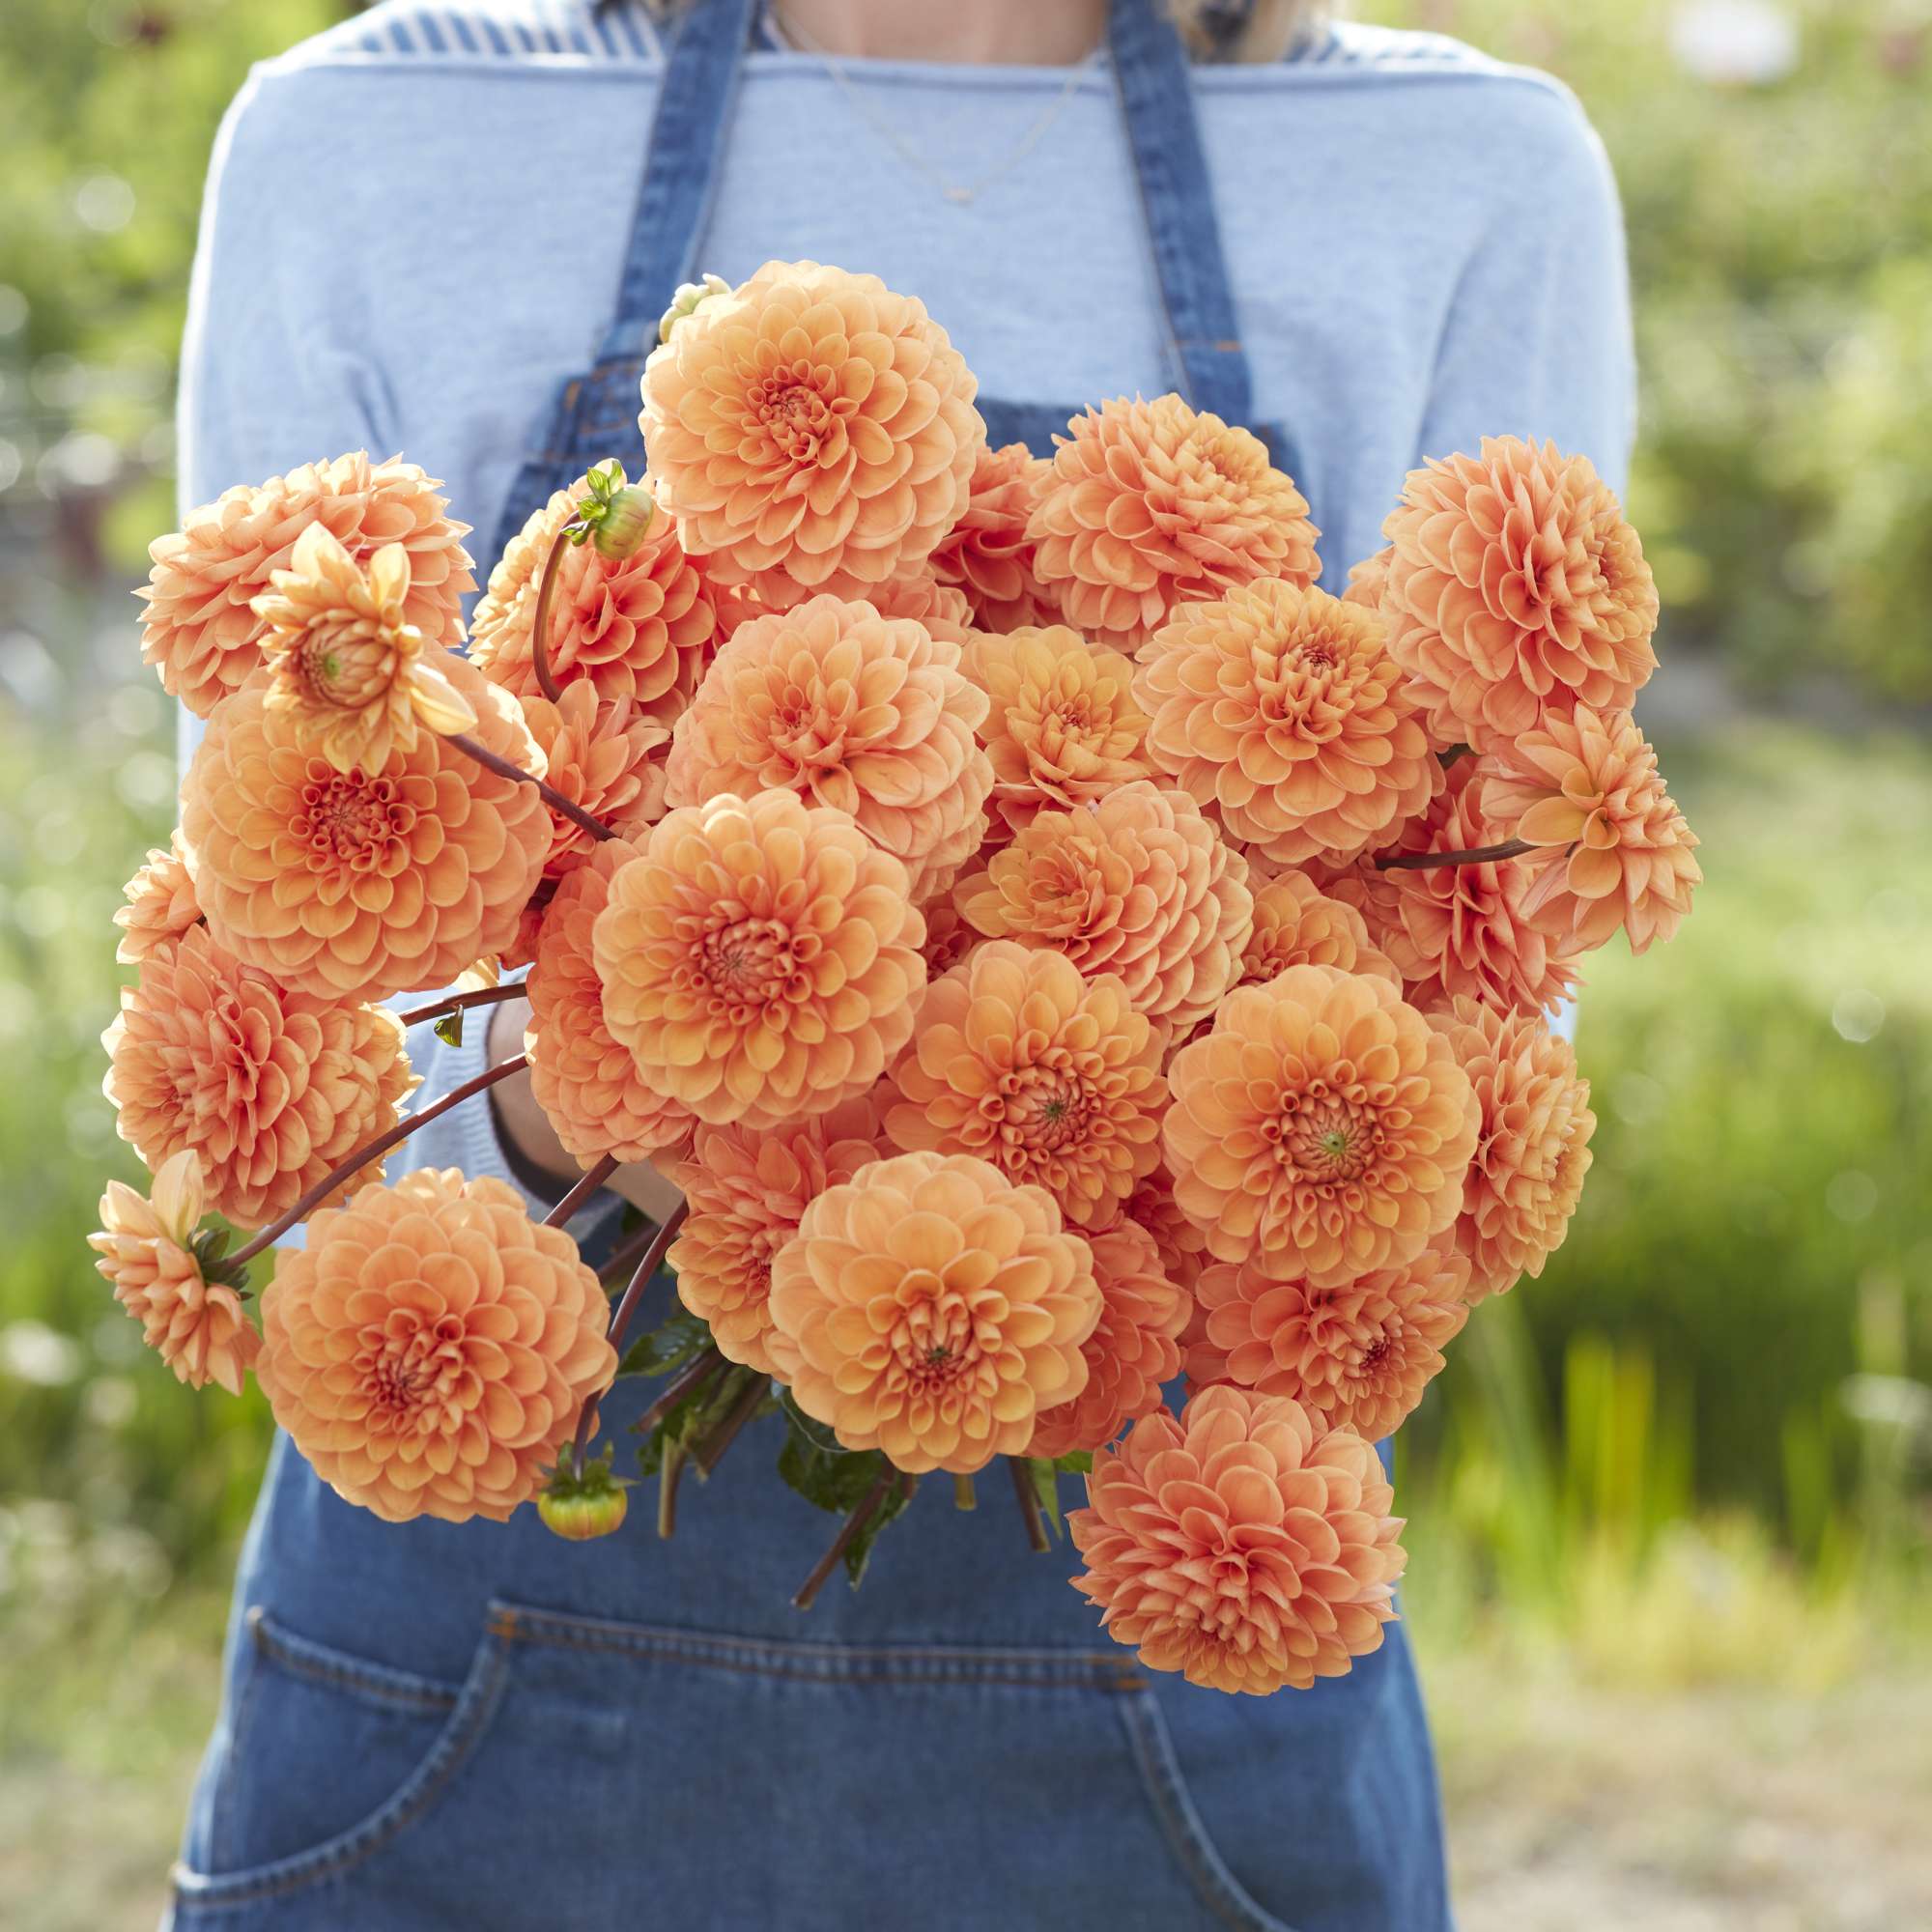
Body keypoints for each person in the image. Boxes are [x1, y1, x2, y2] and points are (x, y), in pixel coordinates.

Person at [163, 3, 1633, 1926]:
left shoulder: (1460, 174)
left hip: (1159, 1668)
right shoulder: (378, 134)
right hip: (481, 1673)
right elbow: (269, 925)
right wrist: (562, 1091)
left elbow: (1503, 931)